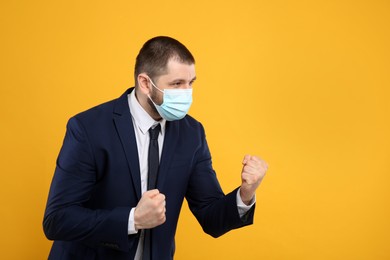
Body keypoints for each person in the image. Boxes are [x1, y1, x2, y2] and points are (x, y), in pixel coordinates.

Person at [43, 36, 268, 260]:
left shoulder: (191, 133)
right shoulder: (88, 128)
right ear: (144, 83)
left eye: (191, 83)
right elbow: (57, 219)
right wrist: (133, 220)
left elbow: (211, 217)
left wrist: (245, 194)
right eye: (176, 84)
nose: (186, 93)